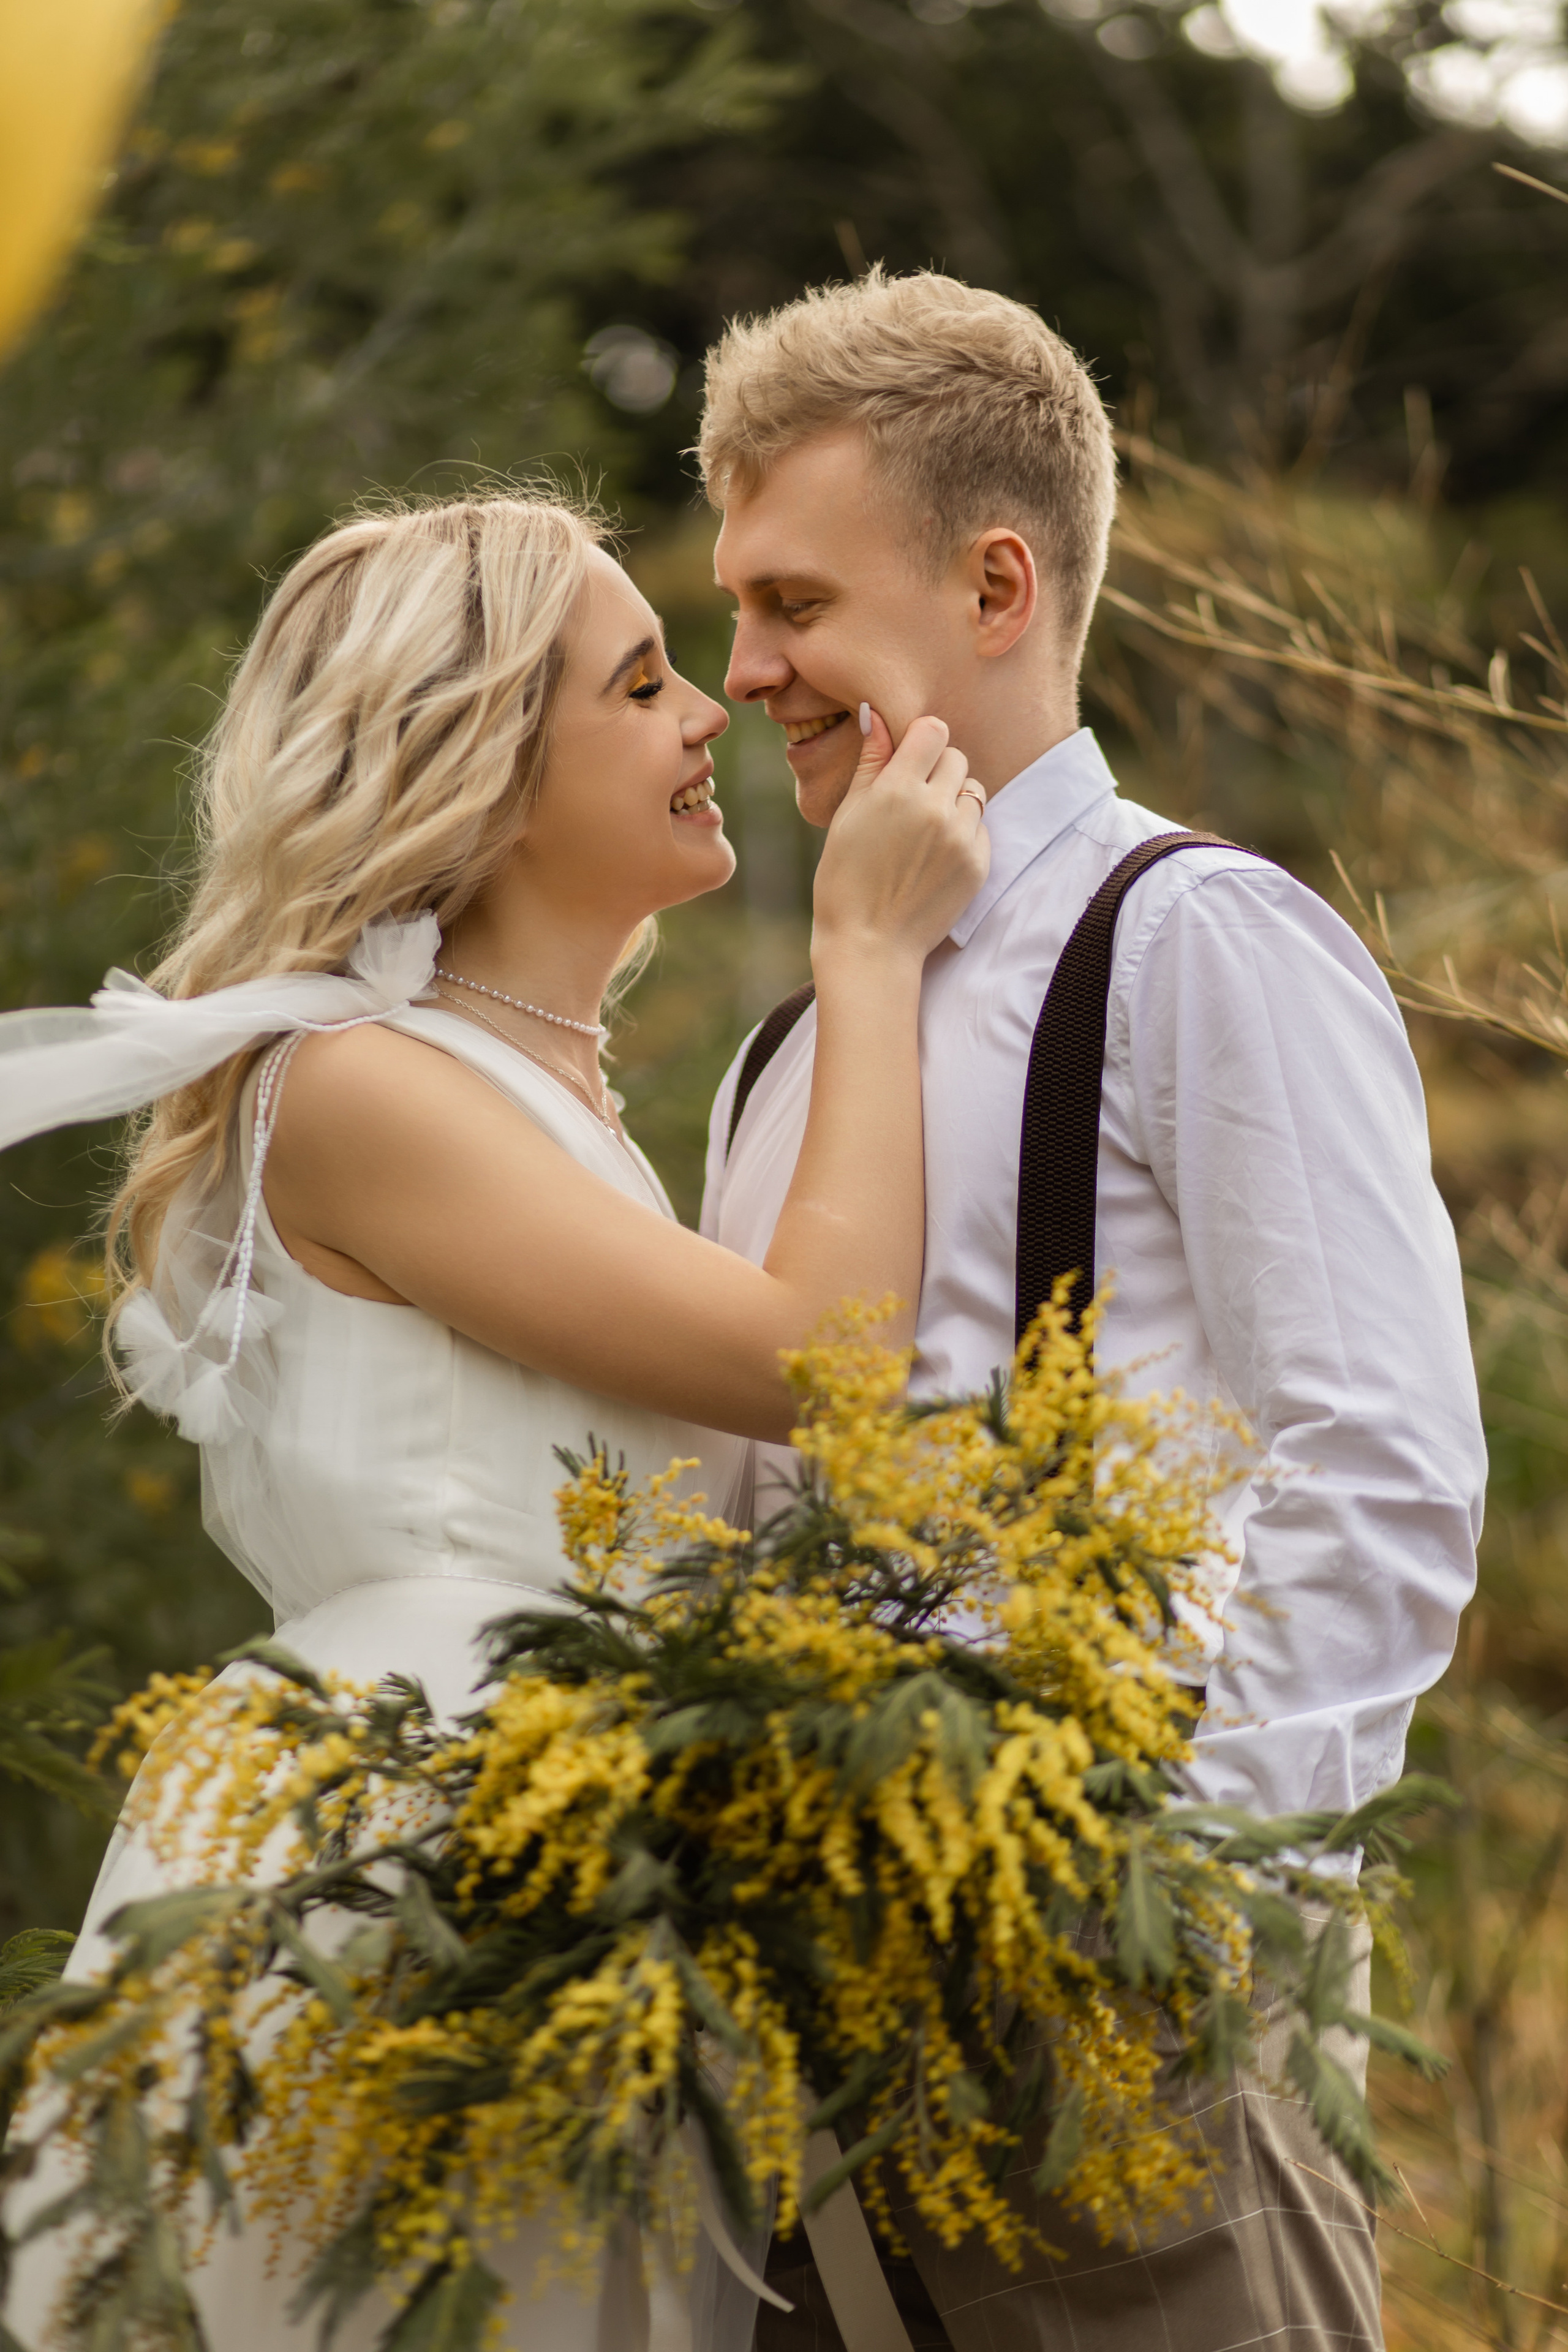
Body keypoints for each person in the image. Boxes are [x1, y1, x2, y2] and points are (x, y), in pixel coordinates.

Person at [0, 489, 988, 2352]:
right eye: (641, 684)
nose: (708, 713)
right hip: (409, 1851)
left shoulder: (529, 1099)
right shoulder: (364, 1084)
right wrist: (868, 953)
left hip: (549, 1837)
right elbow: (817, 1357)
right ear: (483, 770)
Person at [697, 269, 1487, 2352]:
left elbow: (1382, 1462)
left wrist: (1168, 1908)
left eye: (793, 605)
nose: (743, 667)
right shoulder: (784, 1061)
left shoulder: (1203, 934)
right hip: (806, 2107)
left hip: (1133, 2071)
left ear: (995, 580)